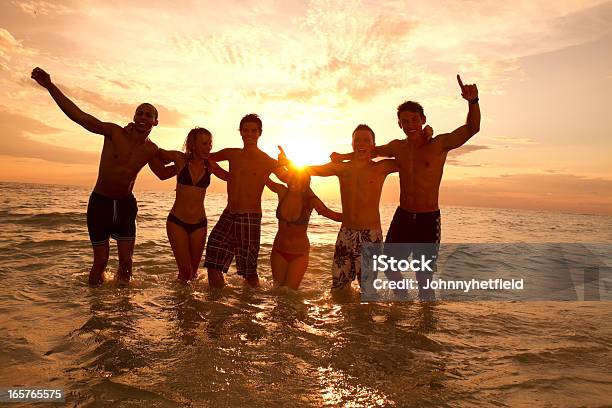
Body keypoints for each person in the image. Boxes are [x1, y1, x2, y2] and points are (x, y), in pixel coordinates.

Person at [332, 74, 480, 298]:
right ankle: (402, 304)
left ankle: (424, 326)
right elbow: (369, 151)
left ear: (423, 119)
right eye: (405, 121)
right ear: (399, 124)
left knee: (424, 278)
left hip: (428, 220)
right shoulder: (397, 147)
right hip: (403, 216)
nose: (410, 124)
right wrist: (342, 155)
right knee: (390, 268)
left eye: (414, 120)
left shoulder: (439, 144)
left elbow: (472, 128)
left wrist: (473, 102)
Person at [31, 67, 171, 285]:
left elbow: (163, 174)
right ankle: (96, 308)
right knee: (101, 261)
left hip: (125, 205)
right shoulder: (114, 132)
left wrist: (188, 162)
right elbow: (78, 116)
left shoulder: (151, 150)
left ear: (155, 122)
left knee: (126, 262)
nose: (143, 117)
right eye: (140, 113)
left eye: (149, 115)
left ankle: (124, 310)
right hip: (100, 203)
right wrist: (50, 86)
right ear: (133, 117)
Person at [304, 124, 399, 289]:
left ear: (373, 145)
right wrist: (285, 163)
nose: (361, 143)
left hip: (370, 235)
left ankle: (364, 315)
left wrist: (426, 135)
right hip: (346, 233)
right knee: (339, 288)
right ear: (352, 143)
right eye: (357, 140)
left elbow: (409, 157)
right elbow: (310, 170)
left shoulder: (380, 168)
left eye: (366, 140)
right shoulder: (342, 168)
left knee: (367, 290)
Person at [203, 114, 288, 288]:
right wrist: (222, 173)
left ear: (260, 133)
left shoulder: (267, 160)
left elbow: (289, 178)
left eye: (253, 131)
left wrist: (286, 163)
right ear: (240, 132)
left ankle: (250, 309)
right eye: (246, 130)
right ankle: (217, 303)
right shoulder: (232, 153)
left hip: (250, 217)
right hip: (229, 214)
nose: (250, 134)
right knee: (213, 257)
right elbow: (206, 157)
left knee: (249, 271)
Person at [156, 127, 229, 282]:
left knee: (193, 273)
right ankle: (178, 304)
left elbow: (232, 177)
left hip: (199, 224)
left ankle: (190, 305)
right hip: (177, 222)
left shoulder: (210, 166)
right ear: (192, 144)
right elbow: (155, 152)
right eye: (204, 143)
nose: (208, 147)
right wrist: (142, 138)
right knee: (185, 271)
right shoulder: (179, 159)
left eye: (210, 144)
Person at [265, 169, 342, 290]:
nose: (294, 182)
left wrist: (356, 217)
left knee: (289, 292)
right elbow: (264, 177)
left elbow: (331, 214)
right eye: (292, 178)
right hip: (278, 250)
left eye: (299, 180)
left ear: (305, 184)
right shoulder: (281, 191)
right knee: (277, 291)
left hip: (299, 254)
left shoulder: (310, 201)